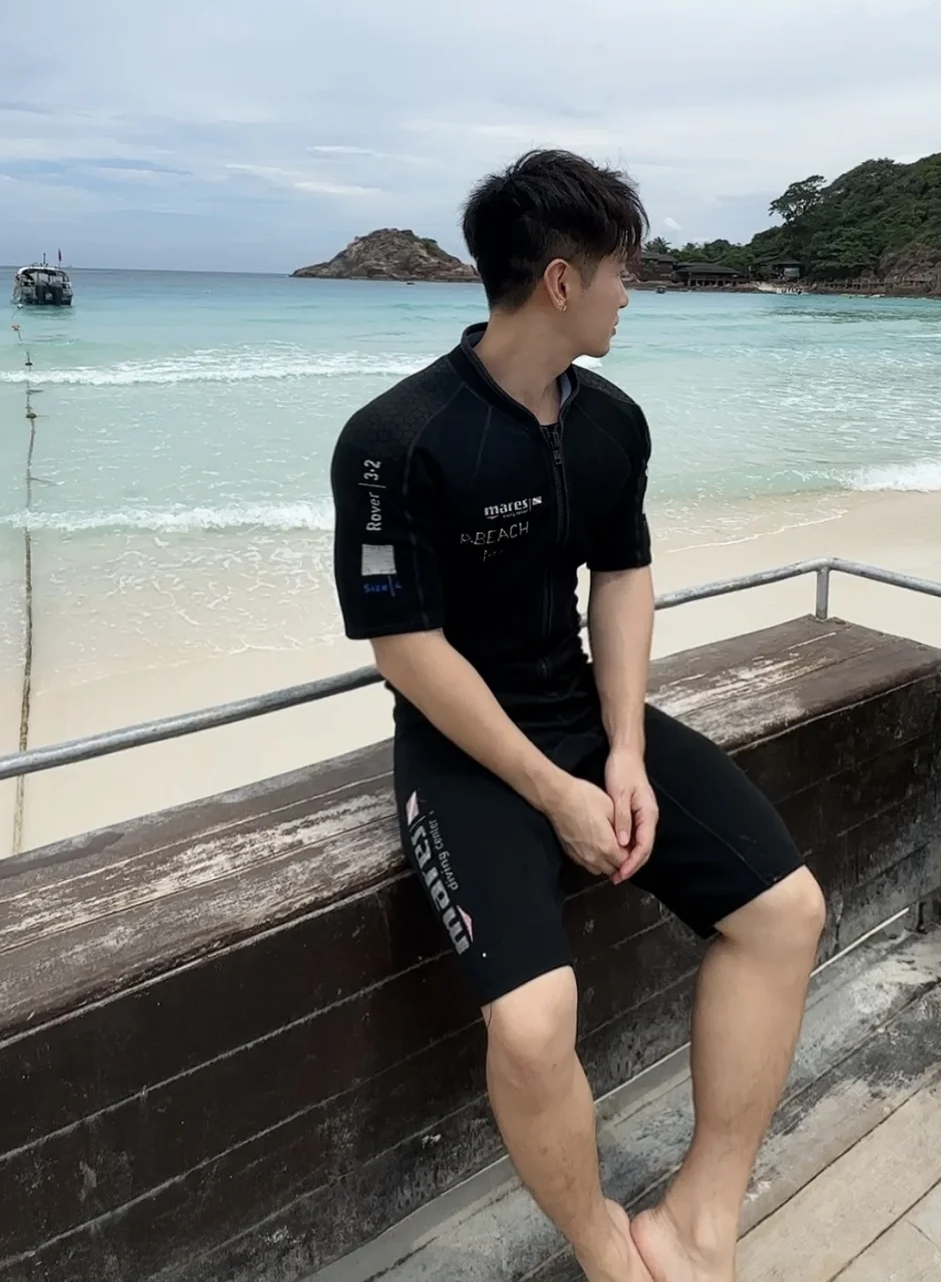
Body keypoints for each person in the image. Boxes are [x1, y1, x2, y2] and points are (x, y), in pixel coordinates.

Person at [330, 150, 825, 1282]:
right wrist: (555, 792)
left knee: (785, 912)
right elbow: (405, 648)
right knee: (532, 1023)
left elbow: (623, 577)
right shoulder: (395, 439)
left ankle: (699, 1221)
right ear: (562, 281)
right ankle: (605, 1247)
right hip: (462, 751)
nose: (628, 294)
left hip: (585, 717)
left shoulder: (612, 423)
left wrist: (626, 751)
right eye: (619, 271)